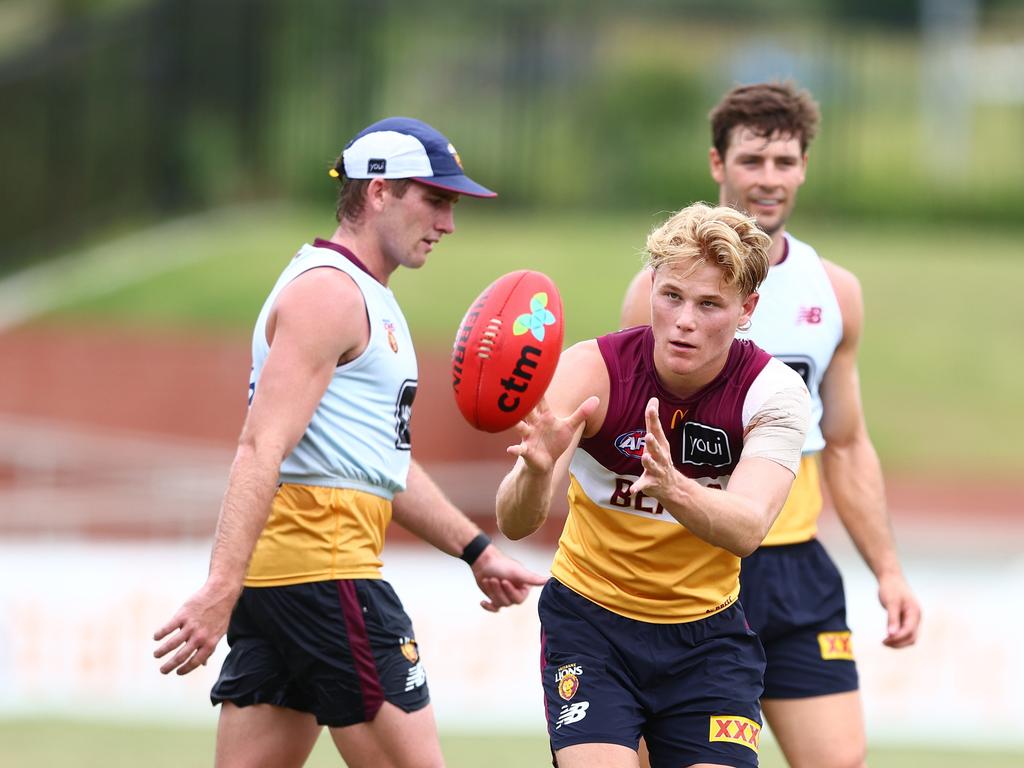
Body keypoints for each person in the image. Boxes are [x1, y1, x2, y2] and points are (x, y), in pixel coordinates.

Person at [153, 117, 547, 768]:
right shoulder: (330, 295)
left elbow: (378, 465)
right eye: (436, 200)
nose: (448, 223)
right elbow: (259, 448)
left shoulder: (359, 294)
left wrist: (475, 549)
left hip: (288, 584)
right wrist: (219, 587)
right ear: (378, 192)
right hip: (327, 578)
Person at [621, 83, 922, 768]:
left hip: (792, 568)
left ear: (804, 168)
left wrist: (888, 569)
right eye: (752, 160)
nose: (768, 179)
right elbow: (627, 439)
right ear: (717, 164)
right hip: (690, 564)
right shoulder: (660, 291)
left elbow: (844, 442)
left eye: (784, 161)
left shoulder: (834, 290)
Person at [497, 202, 811, 768]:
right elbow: (514, 523)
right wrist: (535, 470)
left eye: (709, 304)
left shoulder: (773, 393)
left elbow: (747, 529)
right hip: (590, 624)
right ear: (651, 290)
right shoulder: (592, 371)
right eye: (671, 296)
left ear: (747, 309)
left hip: (708, 639)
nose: (684, 320)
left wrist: (675, 488)